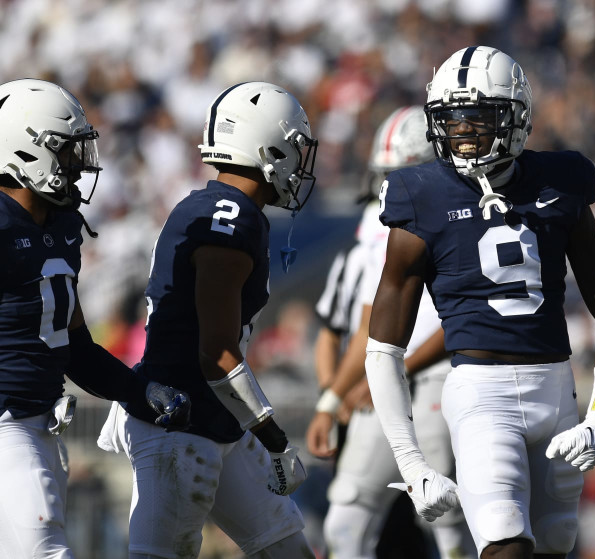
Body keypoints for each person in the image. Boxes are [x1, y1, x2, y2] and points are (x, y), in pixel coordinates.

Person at [363, 46, 595, 559]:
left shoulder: (562, 182)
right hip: (481, 396)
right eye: (452, 120)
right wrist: (413, 465)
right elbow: (382, 349)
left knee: (557, 541)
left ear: (517, 117)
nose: (463, 132)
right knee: (504, 541)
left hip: (557, 390)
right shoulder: (420, 196)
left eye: (478, 119)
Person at [97, 81, 318, 558]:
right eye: (294, 149)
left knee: (287, 549)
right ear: (269, 147)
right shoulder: (231, 217)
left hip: (213, 415)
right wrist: (274, 437)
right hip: (178, 420)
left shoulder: (226, 208)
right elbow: (216, 352)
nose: (299, 165)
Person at [0, 78, 191, 558]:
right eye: (66, 153)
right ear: (26, 151)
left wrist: (136, 390)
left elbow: (74, 346)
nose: (78, 167)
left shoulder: (62, 226)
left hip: (37, 424)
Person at [307, 106, 475, 559]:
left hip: (440, 381)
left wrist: (370, 380)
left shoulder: (462, 222)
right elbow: (358, 328)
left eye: (396, 175)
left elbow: (458, 324)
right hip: (382, 383)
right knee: (348, 514)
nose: (388, 188)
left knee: (449, 517)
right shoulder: (376, 238)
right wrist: (336, 394)